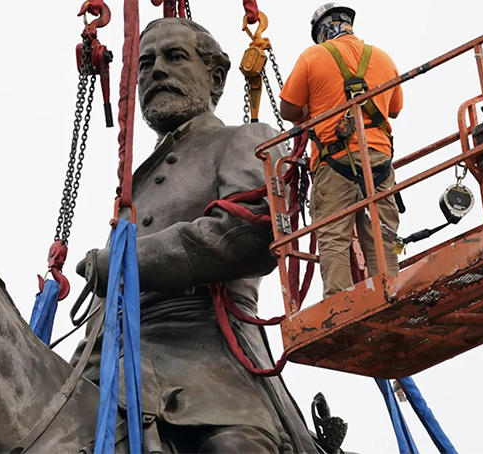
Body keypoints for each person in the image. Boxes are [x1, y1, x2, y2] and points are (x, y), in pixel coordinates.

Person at [73, 17, 329, 454]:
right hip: (116, 361)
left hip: (210, 354)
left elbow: (250, 229)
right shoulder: (135, 181)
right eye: (146, 63)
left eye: (175, 57)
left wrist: (127, 260)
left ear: (216, 77)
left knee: (234, 447)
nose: (156, 71)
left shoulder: (245, 139)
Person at [279, 2, 404, 299]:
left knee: (334, 236)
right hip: (379, 162)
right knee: (381, 235)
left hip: (334, 163)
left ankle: (340, 302)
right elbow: (395, 109)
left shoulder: (313, 56)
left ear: (322, 31)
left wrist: (315, 106)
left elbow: (288, 109)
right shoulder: (383, 59)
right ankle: (390, 293)